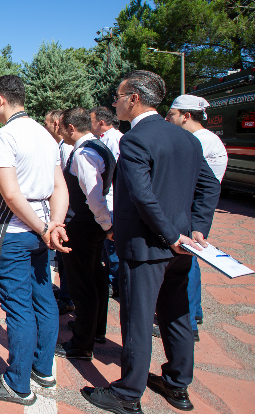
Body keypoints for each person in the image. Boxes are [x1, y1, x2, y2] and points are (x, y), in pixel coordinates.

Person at [81, 71, 220, 414]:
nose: (114, 103)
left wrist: (170, 235)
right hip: (181, 245)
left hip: (147, 246)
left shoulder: (135, 139)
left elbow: (143, 196)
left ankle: (128, 394)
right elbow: (210, 185)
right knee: (176, 314)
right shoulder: (187, 138)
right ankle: (177, 384)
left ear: (134, 98)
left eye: (118, 96)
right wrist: (197, 228)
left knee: (139, 321)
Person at [0, 75, 70, 406]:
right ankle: (42, 368)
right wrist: (53, 224)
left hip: (16, 231)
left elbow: (12, 195)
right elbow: (59, 187)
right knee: (43, 299)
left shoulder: (5, 136)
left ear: (0, 100)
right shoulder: (46, 136)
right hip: (41, 229)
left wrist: (44, 228)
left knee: (18, 307)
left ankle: (17, 383)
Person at [164, 94, 228, 340]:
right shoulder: (204, 139)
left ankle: (187, 322)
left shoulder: (198, 140)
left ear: (186, 116)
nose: (167, 119)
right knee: (189, 261)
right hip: (192, 208)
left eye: (171, 115)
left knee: (185, 263)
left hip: (190, 210)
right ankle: (193, 313)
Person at [54, 107, 116, 360]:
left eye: (61, 127)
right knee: (96, 278)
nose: (58, 131)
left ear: (71, 128)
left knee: (82, 285)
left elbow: (94, 197)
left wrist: (106, 225)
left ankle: (81, 343)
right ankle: (95, 329)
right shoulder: (99, 147)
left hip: (82, 225)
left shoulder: (84, 154)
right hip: (93, 225)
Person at [89, 106, 124, 298]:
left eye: (91, 121)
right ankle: (111, 278)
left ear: (101, 122)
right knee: (107, 245)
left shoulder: (114, 139)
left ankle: (114, 282)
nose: (89, 125)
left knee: (112, 244)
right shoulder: (105, 138)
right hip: (108, 197)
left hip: (111, 199)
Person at [43, 109, 75, 315]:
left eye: (46, 123)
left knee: (67, 258)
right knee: (62, 260)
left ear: (56, 124)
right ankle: (65, 293)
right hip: (63, 211)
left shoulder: (65, 148)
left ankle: (67, 297)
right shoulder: (60, 146)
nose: (44, 127)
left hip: (66, 212)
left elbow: (63, 183)